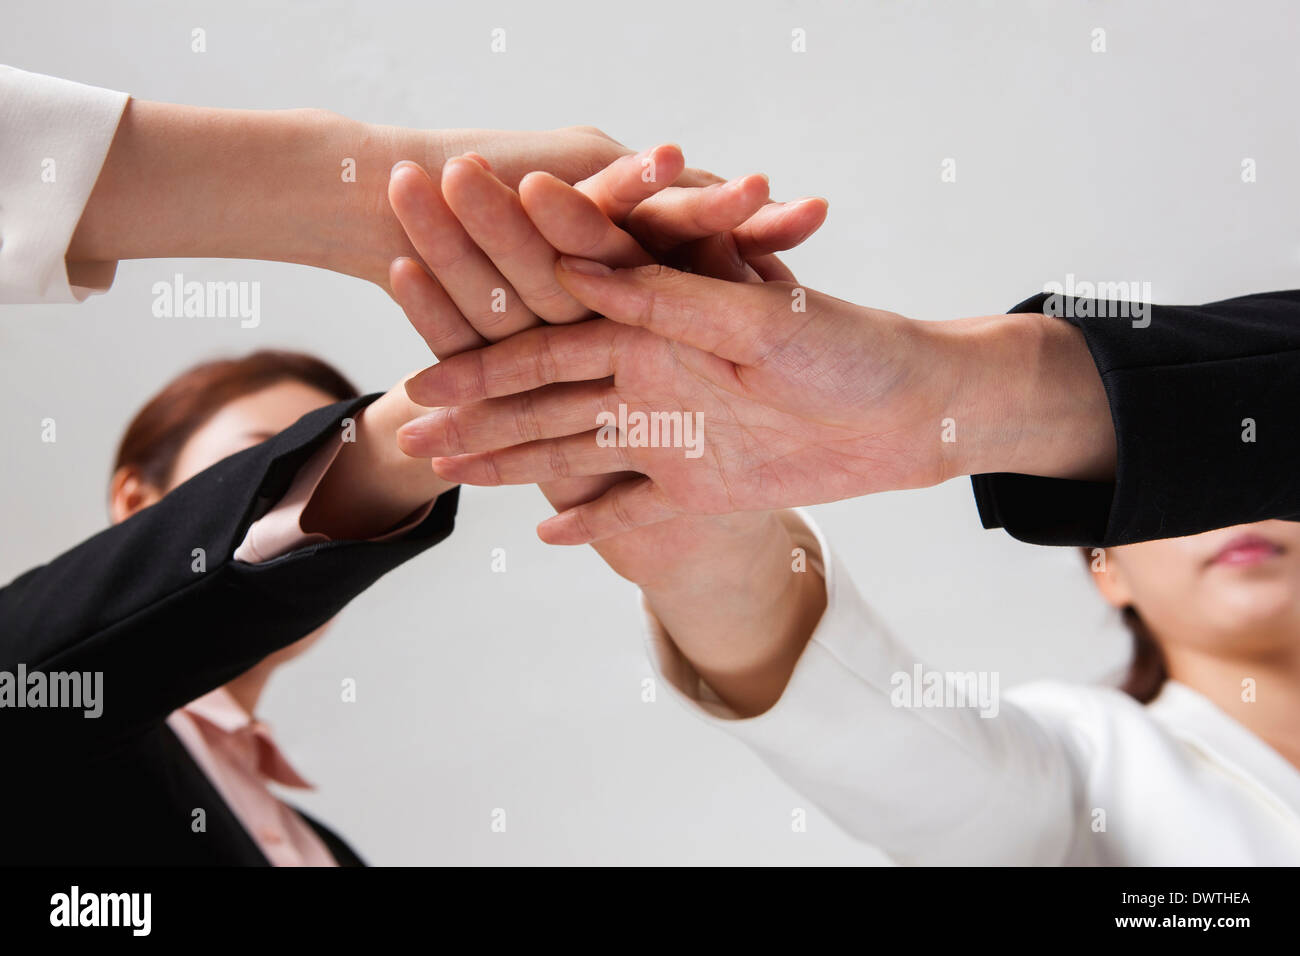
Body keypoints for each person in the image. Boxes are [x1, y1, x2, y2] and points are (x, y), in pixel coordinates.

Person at [383, 165, 1300, 863]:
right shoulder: (1088, 769)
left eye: (1234, 484)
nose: (1222, 524)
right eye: (1173, 510)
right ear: (1107, 569)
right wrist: (712, 557)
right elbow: (897, 755)